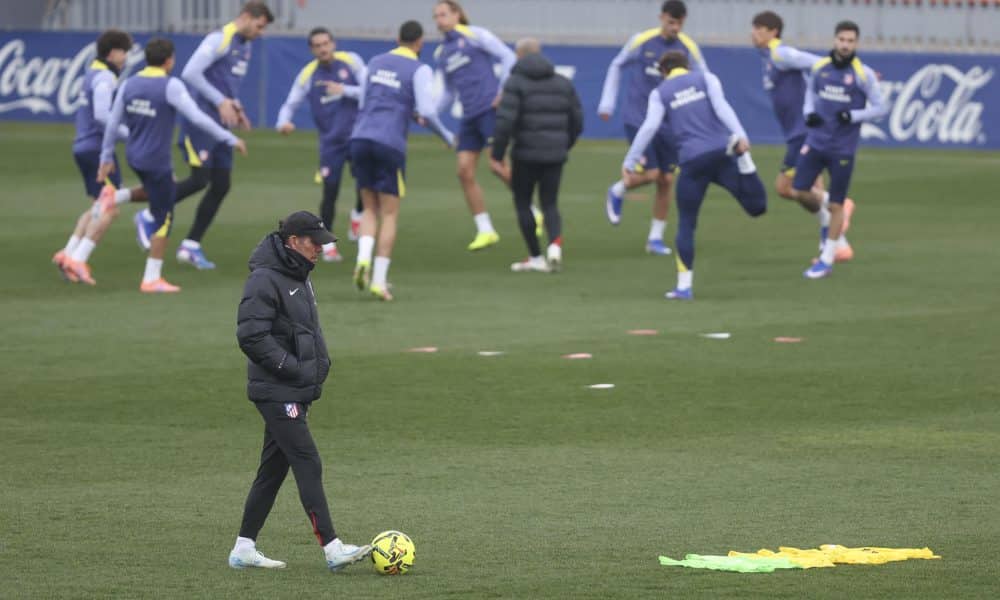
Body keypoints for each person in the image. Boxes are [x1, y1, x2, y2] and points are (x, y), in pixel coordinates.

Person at [231, 210, 371, 572]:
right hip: (277, 391)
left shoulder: (300, 276)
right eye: (315, 243)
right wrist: (292, 370)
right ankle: (333, 548)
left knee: (272, 470)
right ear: (293, 241)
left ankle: (244, 548)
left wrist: (318, 368)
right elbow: (250, 335)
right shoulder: (265, 279)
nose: (321, 250)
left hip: (293, 388)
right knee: (307, 459)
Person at [99, 38, 246, 293]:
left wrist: (107, 157)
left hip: (134, 157)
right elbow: (198, 117)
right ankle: (151, 278)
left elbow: (112, 123)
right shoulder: (171, 85)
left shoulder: (129, 84)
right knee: (164, 216)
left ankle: (115, 196)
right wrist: (229, 137)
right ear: (169, 61)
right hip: (157, 162)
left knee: (156, 195)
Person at [133, 1, 273, 269]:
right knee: (200, 179)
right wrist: (221, 101)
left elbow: (225, 82)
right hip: (199, 123)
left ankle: (191, 246)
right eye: (259, 26)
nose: (260, 32)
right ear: (246, 17)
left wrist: (234, 105)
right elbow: (190, 73)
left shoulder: (245, 46)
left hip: (221, 124)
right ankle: (149, 215)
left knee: (221, 184)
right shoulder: (220, 39)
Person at [623, 51, 767, 300]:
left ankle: (684, 286)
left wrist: (631, 159)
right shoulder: (706, 78)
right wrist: (741, 135)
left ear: (663, 71)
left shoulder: (661, 92)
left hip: (692, 162)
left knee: (687, 223)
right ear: (687, 66)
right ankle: (745, 159)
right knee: (756, 207)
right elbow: (722, 108)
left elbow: (649, 127)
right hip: (722, 153)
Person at [349, 20, 455, 301]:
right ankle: (379, 280)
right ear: (419, 42)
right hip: (389, 142)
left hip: (360, 138)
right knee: (390, 213)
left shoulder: (374, 61)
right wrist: (445, 136)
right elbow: (428, 112)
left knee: (368, 208)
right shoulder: (419, 69)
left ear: (397, 38)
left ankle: (362, 259)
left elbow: (363, 102)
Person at [599, 0, 706, 256]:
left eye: (680, 23)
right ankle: (617, 190)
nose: (675, 28)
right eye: (671, 22)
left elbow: (705, 78)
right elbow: (617, 65)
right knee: (651, 173)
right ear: (661, 18)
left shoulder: (688, 47)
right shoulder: (642, 40)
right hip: (639, 118)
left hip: (670, 123)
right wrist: (607, 101)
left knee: (667, 179)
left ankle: (655, 238)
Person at [751, 11, 855, 263]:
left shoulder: (780, 53)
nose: (753, 34)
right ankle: (836, 246)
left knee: (788, 188)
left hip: (804, 132)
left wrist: (845, 71)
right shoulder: (768, 56)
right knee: (808, 188)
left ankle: (839, 204)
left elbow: (814, 62)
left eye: (758, 29)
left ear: (772, 32)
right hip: (798, 133)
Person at [53, 29, 148, 285]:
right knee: (110, 208)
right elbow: (103, 115)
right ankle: (79, 259)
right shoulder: (105, 78)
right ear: (113, 52)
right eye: (124, 52)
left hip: (83, 146)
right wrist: (130, 134)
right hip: (96, 148)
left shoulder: (92, 72)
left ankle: (68, 253)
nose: (126, 58)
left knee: (98, 205)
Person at [794, 21, 887, 279]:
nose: (845, 45)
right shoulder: (819, 68)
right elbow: (810, 94)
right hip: (815, 142)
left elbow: (881, 108)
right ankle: (831, 217)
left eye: (850, 41)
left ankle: (827, 258)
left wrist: (855, 116)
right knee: (799, 191)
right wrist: (808, 113)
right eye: (842, 40)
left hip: (842, 148)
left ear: (856, 44)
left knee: (835, 203)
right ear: (834, 40)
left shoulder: (862, 73)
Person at [490, 38, 582, 273]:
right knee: (550, 202)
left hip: (525, 155)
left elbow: (505, 121)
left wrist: (498, 153)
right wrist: (564, 144)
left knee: (523, 203)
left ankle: (535, 256)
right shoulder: (562, 82)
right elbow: (577, 120)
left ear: (519, 56)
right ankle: (554, 247)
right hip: (555, 155)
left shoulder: (515, 82)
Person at [276, 27, 367, 263]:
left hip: (358, 135)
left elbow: (370, 91)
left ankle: (357, 215)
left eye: (326, 43)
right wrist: (283, 121)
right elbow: (290, 103)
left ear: (333, 44)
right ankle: (328, 245)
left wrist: (344, 90)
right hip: (331, 143)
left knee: (365, 184)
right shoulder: (308, 75)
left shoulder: (351, 61)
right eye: (317, 45)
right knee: (330, 192)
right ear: (312, 50)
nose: (323, 48)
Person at [433, 0, 517, 251]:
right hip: (469, 116)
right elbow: (448, 92)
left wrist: (503, 89)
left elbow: (508, 56)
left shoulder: (476, 35)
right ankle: (485, 229)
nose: (439, 20)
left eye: (443, 14)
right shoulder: (442, 53)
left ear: (457, 14)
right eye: (436, 16)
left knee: (498, 166)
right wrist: (430, 113)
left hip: (489, 111)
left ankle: (532, 210)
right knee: (464, 172)